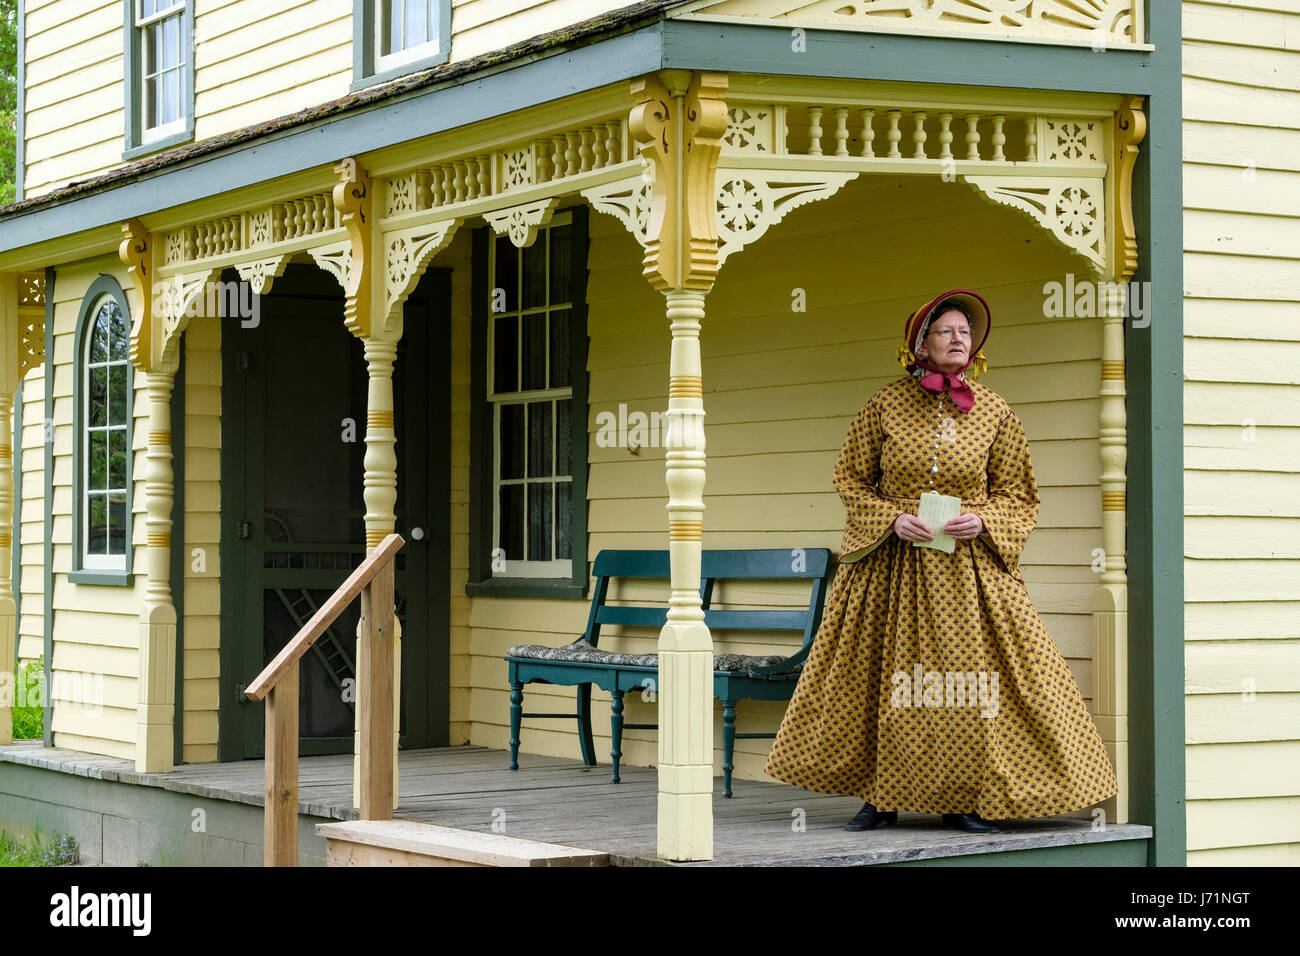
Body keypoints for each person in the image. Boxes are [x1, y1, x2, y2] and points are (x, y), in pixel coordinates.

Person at [762, 289, 1118, 834]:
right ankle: (879, 799)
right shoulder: (883, 404)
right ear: (919, 344)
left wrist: (985, 521)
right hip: (889, 566)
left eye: (966, 333)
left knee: (966, 681)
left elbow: (1019, 493)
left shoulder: (995, 410)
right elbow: (849, 477)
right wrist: (888, 519)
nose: (960, 339)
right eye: (947, 331)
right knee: (875, 678)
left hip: (966, 569)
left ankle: (965, 799)